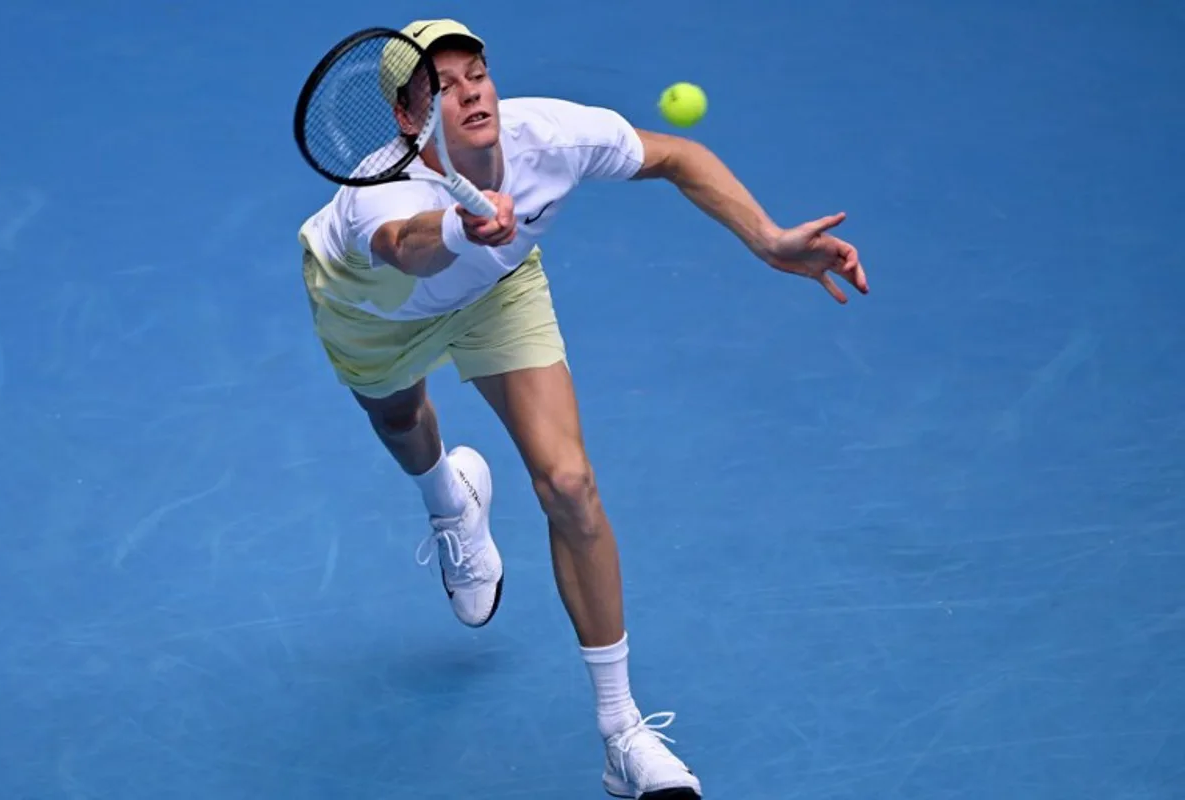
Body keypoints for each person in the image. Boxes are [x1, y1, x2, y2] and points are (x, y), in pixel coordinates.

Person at [297, 18, 868, 799]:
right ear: (406, 118)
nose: (471, 95)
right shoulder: (378, 191)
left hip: (499, 291)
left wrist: (766, 239)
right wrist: (462, 232)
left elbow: (679, 155)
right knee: (401, 424)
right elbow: (403, 245)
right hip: (374, 313)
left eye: (478, 75)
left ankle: (621, 734)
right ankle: (449, 501)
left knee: (569, 486)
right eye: (443, 87)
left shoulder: (551, 135)